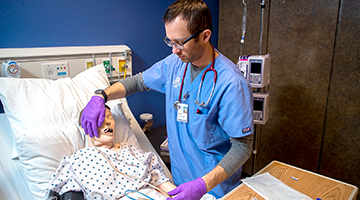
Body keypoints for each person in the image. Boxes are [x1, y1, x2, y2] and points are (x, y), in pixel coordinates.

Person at [81, 0, 254, 199]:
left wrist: (201, 186)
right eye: (170, 41)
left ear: (205, 36)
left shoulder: (231, 84)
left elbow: (242, 146)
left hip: (215, 188)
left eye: (180, 42)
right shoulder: (175, 63)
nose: (173, 50)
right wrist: (101, 95)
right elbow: (138, 82)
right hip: (179, 181)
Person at [46, 105, 176, 200]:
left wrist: (180, 195)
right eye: (100, 118)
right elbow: (66, 194)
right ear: (86, 126)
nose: (107, 121)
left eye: (109, 117)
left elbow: (160, 181)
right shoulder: (77, 161)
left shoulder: (132, 150)